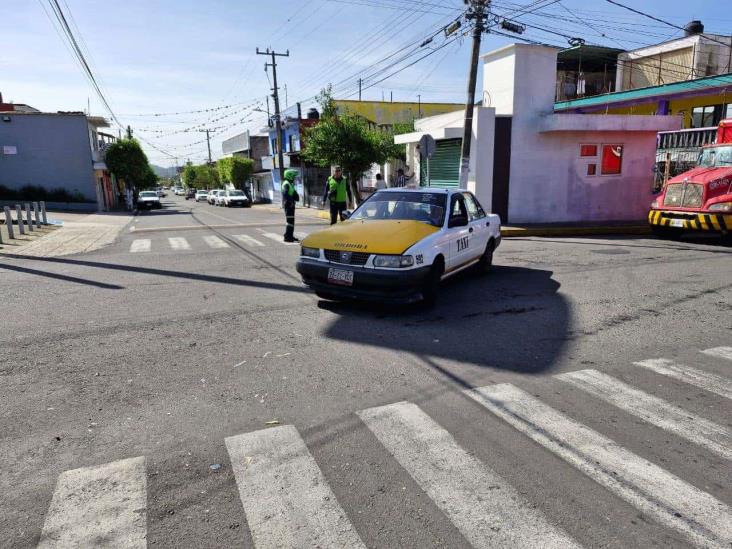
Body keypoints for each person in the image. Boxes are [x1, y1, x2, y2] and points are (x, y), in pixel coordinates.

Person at [282, 168, 300, 242]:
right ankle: (287, 237)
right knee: (289, 221)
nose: (294, 178)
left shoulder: (290, 184)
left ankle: (290, 236)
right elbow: (285, 194)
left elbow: (293, 193)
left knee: (291, 221)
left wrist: (296, 196)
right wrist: (292, 200)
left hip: (291, 204)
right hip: (288, 204)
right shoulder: (286, 183)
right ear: (289, 176)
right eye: (293, 177)